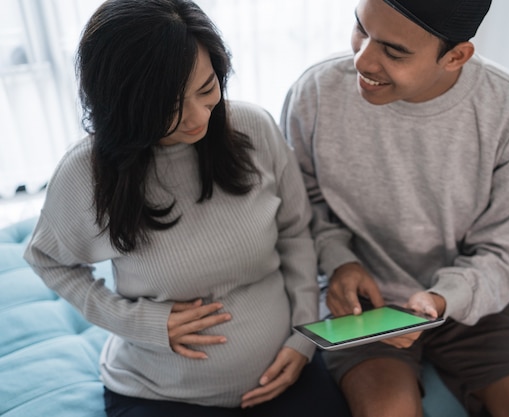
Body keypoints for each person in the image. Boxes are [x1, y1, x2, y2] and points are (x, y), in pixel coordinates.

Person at [23, 0, 351, 416]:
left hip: (287, 370)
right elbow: (47, 260)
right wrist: (138, 322)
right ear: (125, 104)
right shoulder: (84, 174)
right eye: (170, 106)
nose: (199, 117)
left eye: (207, 89)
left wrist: (304, 338)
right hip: (159, 393)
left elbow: (295, 233)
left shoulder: (252, 128)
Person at [280, 0, 509, 416]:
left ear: (456, 56)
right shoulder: (314, 94)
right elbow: (303, 207)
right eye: (360, 29)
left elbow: (508, 249)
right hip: (362, 305)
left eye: (393, 51)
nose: (362, 59)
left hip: (473, 300)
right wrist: (339, 263)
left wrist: (443, 300)